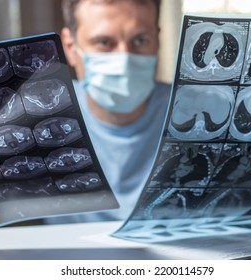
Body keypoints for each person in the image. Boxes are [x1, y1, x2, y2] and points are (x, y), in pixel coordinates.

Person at [52, 0, 171, 222]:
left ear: (157, 41)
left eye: (140, 40)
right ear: (70, 47)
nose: (124, 59)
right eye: (104, 42)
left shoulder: (198, 114)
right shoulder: (39, 115)